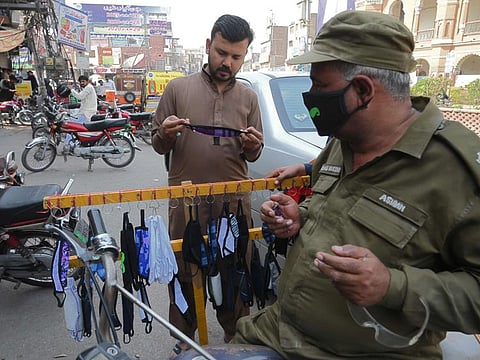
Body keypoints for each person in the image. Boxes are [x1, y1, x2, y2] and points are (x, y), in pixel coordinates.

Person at [232, 10, 480, 359]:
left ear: (363, 90)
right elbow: (334, 211)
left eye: (320, 86)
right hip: (276, 331)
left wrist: (392, 287)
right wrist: (298, 217)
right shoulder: (342, 140)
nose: (311, 95)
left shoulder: (457, 172)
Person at [151, 14, 263, 359]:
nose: (227, 62)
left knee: (233, 274)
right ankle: (185, 342)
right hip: (185, 205)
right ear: (207, 47)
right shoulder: (177, 89)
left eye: (235, 56)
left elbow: (255, 154)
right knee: (186, 272)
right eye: (221, 53)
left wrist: (251, 144)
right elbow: (157, 144)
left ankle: (234, 338)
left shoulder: (248, 98)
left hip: (233, 204)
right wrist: (166, 133)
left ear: (245, 56)